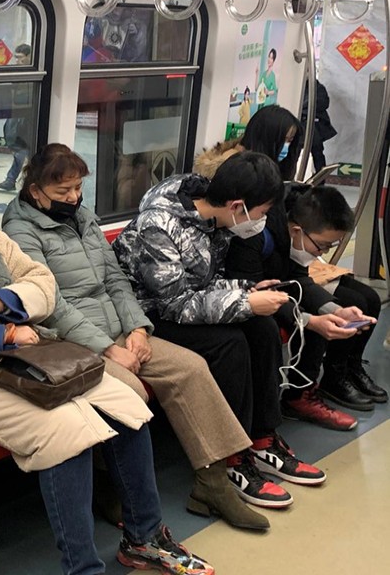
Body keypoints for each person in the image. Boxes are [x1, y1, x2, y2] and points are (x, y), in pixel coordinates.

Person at [0, 153, 214, 575]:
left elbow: (44, 286)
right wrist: (0, 332)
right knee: (64, 433)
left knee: (127, 406)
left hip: (27, 355)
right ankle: (82, 568)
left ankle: (144, 538)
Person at [1, 143, 267, 530]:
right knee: (128, 390)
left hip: (118, 327)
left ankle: (213, 481)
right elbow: (51, 303)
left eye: (78, 188)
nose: (74, 198)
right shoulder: (19, 232)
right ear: (35, 189)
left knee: (190, 368)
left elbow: (115, 278)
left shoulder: (85, 218)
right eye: (63, 192)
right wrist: (106, 347)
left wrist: (137, 328)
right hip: (66, 340)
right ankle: (108, 485)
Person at [113, 152, 326, 511]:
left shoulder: (215, 221)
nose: (259, 222)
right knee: (229, 344)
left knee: (261, 327)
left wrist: (247, 291)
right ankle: (232, 457)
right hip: (148, 315)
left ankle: (261, 438)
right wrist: (242, 303)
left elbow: (208, 281)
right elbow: (174, 303)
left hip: (185, 305)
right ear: (238, 206)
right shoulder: (159, 226)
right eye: (260, 213)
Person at [224, 185, 386, 425]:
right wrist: (309, 321)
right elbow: (254, 292)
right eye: (321, 246)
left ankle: (308, 390)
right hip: (243, 296)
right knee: (291, 325)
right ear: (297, 230)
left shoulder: (294, 232)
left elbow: (300, 279)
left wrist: (336, 310)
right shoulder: (254, 235)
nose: (322, 252)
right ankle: (281, 407)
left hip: (268, 290)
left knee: (346, 304)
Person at [195, 105, 301, 182]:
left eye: (290, 140)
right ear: (266, 138)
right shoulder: (232, 166)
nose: (286, 146)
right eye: (283, 140)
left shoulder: (272, 165)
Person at [0, 45, 32, 191]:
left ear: (29, 56)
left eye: (20, 58)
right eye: (16, 58)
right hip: (16, 114)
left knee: (22, 149)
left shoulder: (33, 72)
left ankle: (13, 180)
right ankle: (12, 180)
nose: (17, 61)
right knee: (20, 149)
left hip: (26, 117)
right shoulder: (18, 72)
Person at [300, 79, 338, 173]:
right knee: (294, 153)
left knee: (317, 153)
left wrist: (304, 107)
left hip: (313, 125)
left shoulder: (317, 87)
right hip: (301, 122)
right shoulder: (298, 85)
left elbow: (323, 103)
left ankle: (320, 180)